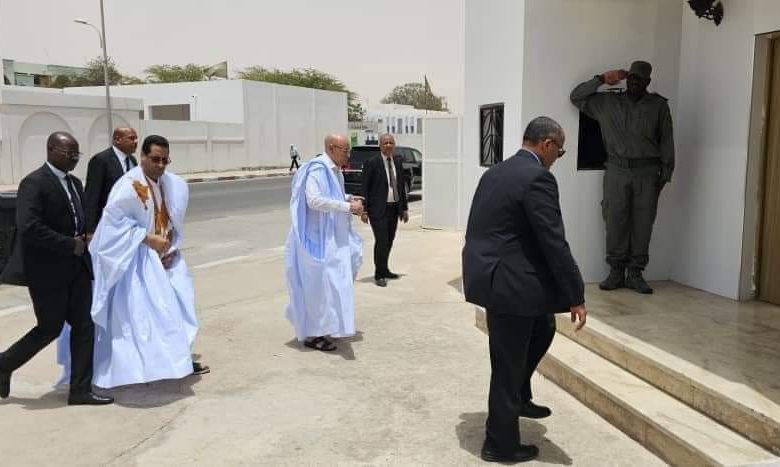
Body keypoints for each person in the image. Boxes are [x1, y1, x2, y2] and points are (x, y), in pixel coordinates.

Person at [462, 117, 587, 463]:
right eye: (559, 151)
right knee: (507, 364)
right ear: (546, 144)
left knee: (543, 327)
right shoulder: (538, 178)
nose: (557, 158)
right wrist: (576, 293)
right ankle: (499, 445)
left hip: (497, 278)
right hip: (511, 284)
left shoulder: (495, 172)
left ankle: (520, 393)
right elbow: (553, 240)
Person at [60, 134, 208, 389]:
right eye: (155, 159)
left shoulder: (171, 184)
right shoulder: (128, 185)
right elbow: (113, 223)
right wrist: (147, 239)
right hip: (136, 262)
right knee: (145, 319)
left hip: (166, 258)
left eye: (165, 160)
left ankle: (178, 360)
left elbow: (171, 219)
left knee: (180, 305)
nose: (160, 165)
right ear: (142, 157)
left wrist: (170, 243)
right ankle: (153, 366)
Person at [0, 132, 113, 405]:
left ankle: (80, 391)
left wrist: (87, 236)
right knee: (49, 327)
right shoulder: (34, 183)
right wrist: (68, 244)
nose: (74, 159)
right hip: (47, 271)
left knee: (85, 325)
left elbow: (79, 217)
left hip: (77, 269)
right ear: (51, 150)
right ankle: (4, 364)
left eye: (77, 155)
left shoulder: (74, 182)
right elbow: (29, 227)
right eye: (69, 154)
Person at [570, 60, 675, 294]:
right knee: (615, 219)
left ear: (648, 81)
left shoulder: (658, 106)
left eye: (641, 79)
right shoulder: (608, 103)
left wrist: (665, 174)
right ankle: (616, 271)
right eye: (632, 77)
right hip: (617, 170)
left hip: (647, 172)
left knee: (643, 222)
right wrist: (601, 79)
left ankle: (635, 273)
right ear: (627, 78)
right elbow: (576, 97)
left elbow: (667, 140)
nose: (636, 82)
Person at [285, 134, 364, 352]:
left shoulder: (334, 171)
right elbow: (314, 200)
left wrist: (348, 199)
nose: (348, 154)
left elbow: (334, 195)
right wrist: (347, 207)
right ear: (331, 147)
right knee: (317, 288)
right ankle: (313, 335)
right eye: (345, 150)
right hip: (315, 241)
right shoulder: (318, 169)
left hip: (329, 239)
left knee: (333, 284)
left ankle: (325, 327)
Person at [360, 133, 409, 287]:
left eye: (391, 142)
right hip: (377, 210)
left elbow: (401, 187)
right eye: (385, 143)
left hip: (394, 209)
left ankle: (385, 269)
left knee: (389, 240)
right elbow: (365, 187)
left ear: (394, 145)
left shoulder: (397, 161)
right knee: (381, 241)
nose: (388, 145)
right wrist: (364, 210)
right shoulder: (372, 162)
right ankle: (379, 274)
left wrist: (404, 209)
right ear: (380, 146)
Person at [84, 127, 139, 235]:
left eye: (136, 139)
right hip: (107, 224)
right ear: (117, 139)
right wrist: (90, 230)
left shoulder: (132, 160)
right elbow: (92, 196)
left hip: (129, 222)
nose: (136, 142)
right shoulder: (101, 160)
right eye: (131, 138)